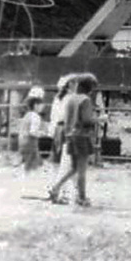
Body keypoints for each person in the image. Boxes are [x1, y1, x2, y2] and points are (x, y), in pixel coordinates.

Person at [49, 73, 99, 207]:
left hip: (70, 136)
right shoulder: (85, 100)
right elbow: (87, 120)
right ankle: (81, 198)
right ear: (90, 87)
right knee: (82, 170)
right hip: (82, 136)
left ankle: (55, 187)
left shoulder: (70, 99)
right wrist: (100, 119)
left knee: (73, 168)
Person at [47, 74, 76, 204]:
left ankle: (55, 189)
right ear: (69, 85)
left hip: (57, 130)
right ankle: (58, 191)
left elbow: (53, 117)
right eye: (74, 83)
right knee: (66, 163)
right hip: (66, 130)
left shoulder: (57, 99)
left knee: (57, 163)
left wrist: (52, 133)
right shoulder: (71, 99)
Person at [19, 88, 44, 174]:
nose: (42, 106)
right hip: (31, 144)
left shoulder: (27, 115)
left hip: (23, 142)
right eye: (41, 104)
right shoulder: (36, 116)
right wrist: (42, 133)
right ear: (35, 105)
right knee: (33, 167)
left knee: (28, 165)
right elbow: (33, 132)